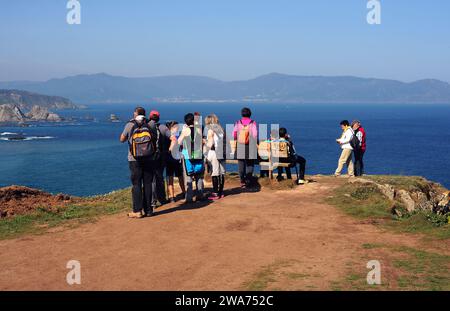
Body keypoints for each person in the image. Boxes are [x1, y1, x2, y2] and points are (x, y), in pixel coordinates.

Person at [119, 107, 158, 218]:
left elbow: (121, 139)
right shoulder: (151, 124)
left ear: (136, 114)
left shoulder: (130, 124)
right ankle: (149, 210)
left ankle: (137, 211)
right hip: (149, 158)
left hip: (134, 159)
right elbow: (154, 138)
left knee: (136, 184)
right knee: (147, 183)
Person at [178, 113, 205, 203]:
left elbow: (179, 142)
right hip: (198, 154)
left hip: (187, 156)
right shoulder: (199, 129)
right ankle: (200, 195)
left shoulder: (185, 130)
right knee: (199, 176)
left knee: (188, 177)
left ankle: (189, 198)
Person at [149, 110, 170, 208]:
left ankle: (152, 202)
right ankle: (162, 199)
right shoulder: (163, 127)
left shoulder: (146, 127)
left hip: (149, 157)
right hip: (160, 157)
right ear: (158, 118)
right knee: (160, 178)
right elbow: (172, 138)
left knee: (152, 180)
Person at [232, 107, 258, 188]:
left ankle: (242, 181)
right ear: (250, 114)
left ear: (242, 114)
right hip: (250, 145)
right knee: (250, 164)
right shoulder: (253, 123)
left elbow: (234, 134)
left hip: (240, 145)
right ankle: (248, 180)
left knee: (241, 164)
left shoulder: (238, 122)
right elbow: (255, 135)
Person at [205, 114, 226, 200]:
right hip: (222, 152)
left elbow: (210, 144)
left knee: (215, 173)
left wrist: (204, 143)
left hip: (214, 153)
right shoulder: (221, 129)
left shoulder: (211, 130)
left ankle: (215, 193)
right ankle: (220, 192)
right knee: (221, 172)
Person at [166, 121, 186, 202]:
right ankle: (183, 193)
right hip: (176, 159)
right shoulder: (177, 136)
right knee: (179, 177)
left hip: (170, 159)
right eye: (175, 127)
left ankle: (172, 197)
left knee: (171, 177)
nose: (177, 128)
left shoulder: (168, 136)